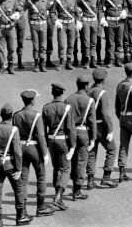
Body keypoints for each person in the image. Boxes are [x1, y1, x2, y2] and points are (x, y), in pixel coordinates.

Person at [13, 88, 54, 219]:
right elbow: (41, 136)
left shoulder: (16, 115)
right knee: (41, 177)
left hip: (21, 147)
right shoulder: (36, 115)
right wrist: (45, 153)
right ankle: (40, 207)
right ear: (32, 100)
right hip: (34, 148)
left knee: (23, 180)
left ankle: (23, 210)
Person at [0, 103, 30, 226]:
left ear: (1, 115)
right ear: (11, 116)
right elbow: (17, 152)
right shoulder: (13, 129)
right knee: (18, 188)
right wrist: (18, 168)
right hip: (10, 163)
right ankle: (20, 216)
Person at [42, 82, 74, 211]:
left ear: (52, 93)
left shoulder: (46, 107)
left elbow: (43, 129)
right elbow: (70, 128)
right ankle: (58, 197)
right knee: (65, 169)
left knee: (56, 168)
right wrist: (72, 146)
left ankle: (58, 196)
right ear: (62, 93)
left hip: (51, 140)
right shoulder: (66, 108)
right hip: (63, 141)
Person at [86, 67, 119, 189]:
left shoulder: (88, 91)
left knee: (92, 152)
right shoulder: (102, 93)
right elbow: (105, 114)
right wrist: (110, 129)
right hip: (101, 126)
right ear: (104, 79)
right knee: (111, 149)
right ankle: (106, 177)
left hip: (89, 126)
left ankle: (90, 180)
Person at [66, 74, 96, 200]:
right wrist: (93, 138)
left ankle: (73, 182)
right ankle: (77, 189)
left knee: (72, 160)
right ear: (87, 85)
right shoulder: (89, 100)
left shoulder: (68, 99)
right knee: (81, 161)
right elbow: (92, 121)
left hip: (70, 131)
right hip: (83, 132)